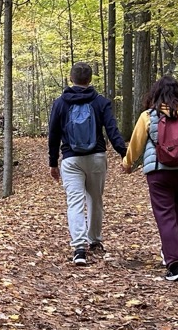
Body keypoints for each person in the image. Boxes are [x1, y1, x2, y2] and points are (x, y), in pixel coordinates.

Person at [122, 76, 178, 281]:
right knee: (177, 214)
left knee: (165, 215)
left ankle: (174, 264)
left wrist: (127, 162)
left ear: (156, 94)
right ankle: (171, 253)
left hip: (158, 171)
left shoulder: (148, 116)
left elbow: (136, 142)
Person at [47, 62, 128, 266]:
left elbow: (53, 135)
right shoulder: (100, 102)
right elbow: (112, 131)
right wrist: (125, 154)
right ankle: (95, 241)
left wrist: (53, 163)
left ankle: (79, 248)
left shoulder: (60, 103)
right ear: (90, 80)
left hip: (71, 159)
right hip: (97, 157)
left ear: (71, 78)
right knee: (95, 199)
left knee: (74, 202)